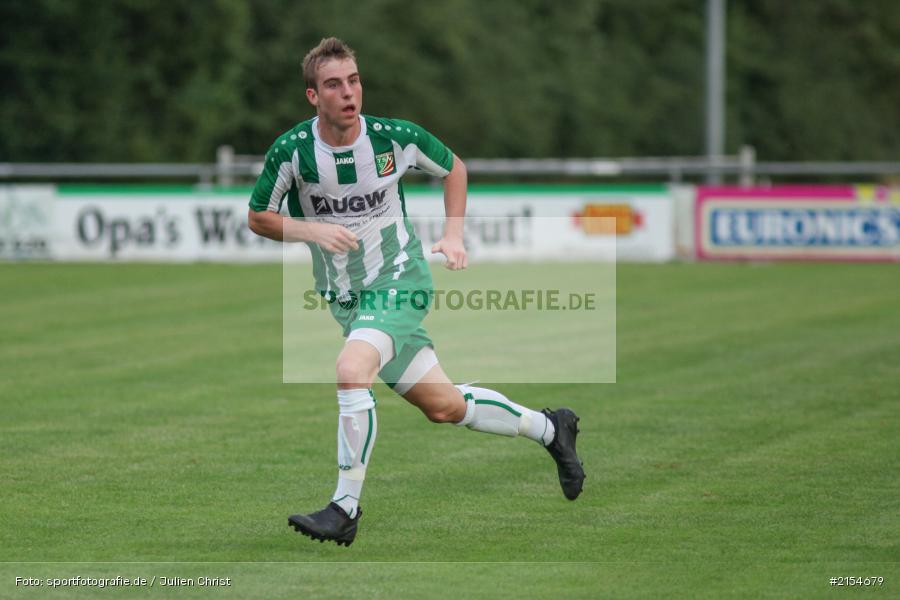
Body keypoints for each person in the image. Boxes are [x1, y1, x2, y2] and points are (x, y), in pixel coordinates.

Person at [248, 37, 585, 547]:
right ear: (313, 97)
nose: (348, 92)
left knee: (349, 371)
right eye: (333, 84)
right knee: (445, 406)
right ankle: (550, 428)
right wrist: (310, 230)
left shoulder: (393, 138)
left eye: (354, 81)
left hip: (399, 280)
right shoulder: (293, 152)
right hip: (349, 301)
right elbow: (259, 217)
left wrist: (453, 234)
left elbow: (455, 168)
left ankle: (344, 507)